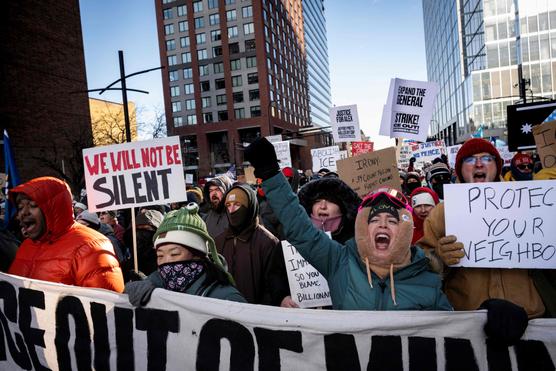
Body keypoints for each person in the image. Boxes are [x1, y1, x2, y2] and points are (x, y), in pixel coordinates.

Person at [244, 138, 452, 311]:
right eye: (374, 219)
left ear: (406, 231)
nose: (382, 225)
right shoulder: (339, 263)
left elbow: (452, 337)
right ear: (362, 227)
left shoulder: (429, 282)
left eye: (392, 220)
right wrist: (270, 173)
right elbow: (299, 227)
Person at [418, 138, 546, 331]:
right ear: (460, 169)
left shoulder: (528, 203)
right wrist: (439, 257)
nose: (479, 164)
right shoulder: (441, 213)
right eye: (470, 160)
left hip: (531, 318)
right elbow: (420, 264)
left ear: (497, 165)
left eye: (487, 158)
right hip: (467, 320)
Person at [8, 176, 124, 292]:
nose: (23, 213)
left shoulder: (90, 247)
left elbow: (106, 304)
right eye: (20, 207)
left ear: (54, 207)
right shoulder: (26, 246)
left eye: (33, 205)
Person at [125, 203, 246, 306]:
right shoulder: (155, 289)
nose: (166, 261)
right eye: (160, 255)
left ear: (198, 255)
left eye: (175, 254)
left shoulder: (227, 299)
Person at [215, 183, 282, 305]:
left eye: (237, 204)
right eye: (228, 205)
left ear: (250, 207)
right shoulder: (219, 241)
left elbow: (272, 287)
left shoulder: (268, 242)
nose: (231, 210)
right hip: (225, 313)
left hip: (256, 316)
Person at [298, 176, 361, 244]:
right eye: (317, 201)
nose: (323, 206)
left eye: (330, 201)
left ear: (342, 207)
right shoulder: (297, 234)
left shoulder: (358, 237)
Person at [202, 175, 233, 239]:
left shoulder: (236, 215)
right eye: (210, 191)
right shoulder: (206, 218)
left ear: (226, 191)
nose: (213, 194)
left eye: (217, 189)